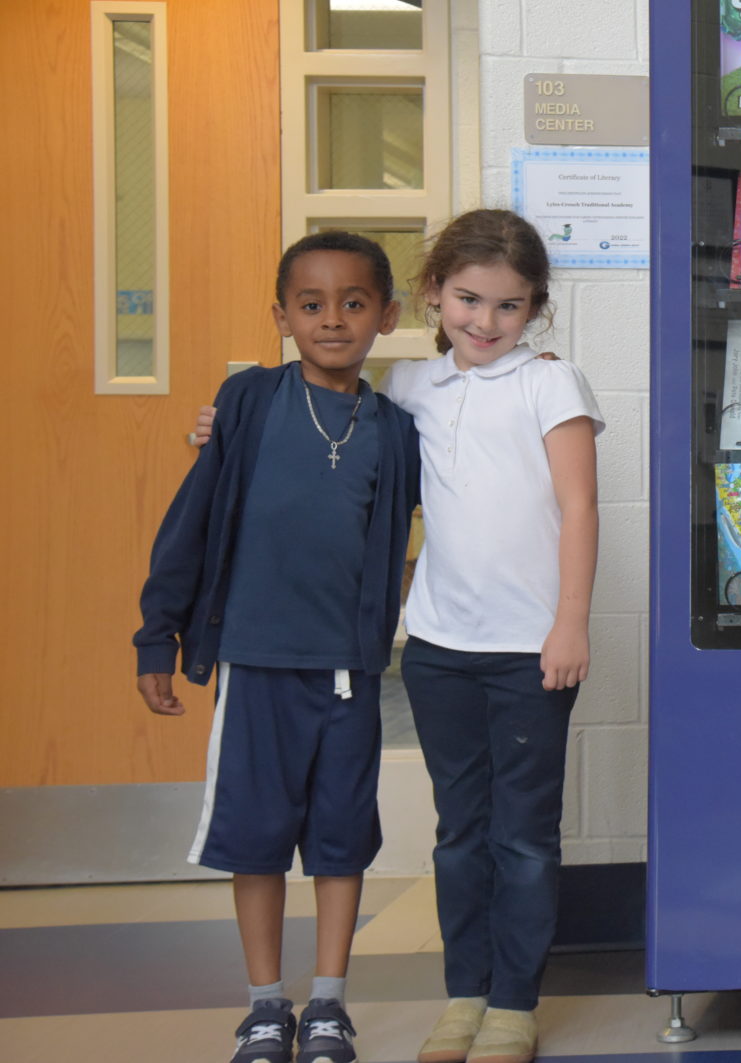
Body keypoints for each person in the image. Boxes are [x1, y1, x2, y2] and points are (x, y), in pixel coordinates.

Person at [194, 210, 603, 1063]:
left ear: (535, 312)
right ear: (430, 297)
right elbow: (321, 420)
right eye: (467, 300)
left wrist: (571, 623)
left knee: (523, 834)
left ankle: (515, 1005)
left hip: (533, 650)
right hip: (439, 648)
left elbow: (578, 507)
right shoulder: (412, 390)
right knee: (458, 832)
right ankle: (465, 996)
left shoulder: (551, 385)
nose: (484, 322)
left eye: (508, 307)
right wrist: (218, 428)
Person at [137, 231, 420, 1063]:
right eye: (311, 304)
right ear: (282, 316)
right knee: (255, 837)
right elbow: (189, 525)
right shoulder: (248, 404)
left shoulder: (395, 428)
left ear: (387, 316)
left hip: (348, 672)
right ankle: (266, 1004)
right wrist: (159, 634)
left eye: (355, 303)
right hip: (256, 662)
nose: (333, 319)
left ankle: (329, 1002)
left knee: (340, 837)